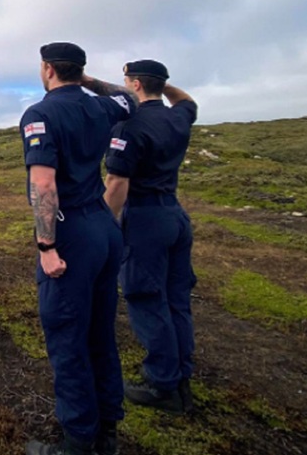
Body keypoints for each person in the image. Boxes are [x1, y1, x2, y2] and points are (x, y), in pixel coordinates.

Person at [22, 42, 136, 455]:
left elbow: (44, 184)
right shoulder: (101, 107)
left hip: (72, 235)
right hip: (104, 227)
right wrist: (87, 80)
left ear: (48, 69)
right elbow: (127, 98)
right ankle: (108, 431)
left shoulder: (40, 114)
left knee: (69, 338)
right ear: (78, 71)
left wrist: (46, 245)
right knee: (100, 333)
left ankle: (77, 442)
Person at [102, 60, 198, 415]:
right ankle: (181, 374)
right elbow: (187, 99)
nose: (124, 86)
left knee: (145, 297)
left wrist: (105, 224)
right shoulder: (179, 116)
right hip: (174, 215)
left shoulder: (129, 125)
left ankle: (163, 384)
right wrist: (163, 85)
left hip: (144, 219)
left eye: (127, 82)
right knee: (176, 299)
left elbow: (117, 184)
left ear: (136, 84)